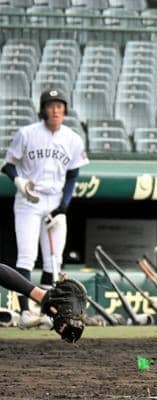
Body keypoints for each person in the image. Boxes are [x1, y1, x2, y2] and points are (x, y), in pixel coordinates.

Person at [1, 89, 89, 329]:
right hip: (29, 199)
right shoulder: (27, 133)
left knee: (54, 260)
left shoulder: (72, 138)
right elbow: (8, 165)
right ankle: (25, 312)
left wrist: (63, 208)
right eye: (51, 105)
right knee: (26, 255)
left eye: (60, 105)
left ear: (65, 110)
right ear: (43, 109)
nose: (56, 110)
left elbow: (73, 175)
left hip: (55, 201)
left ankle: (52, 314)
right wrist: (18, 182)